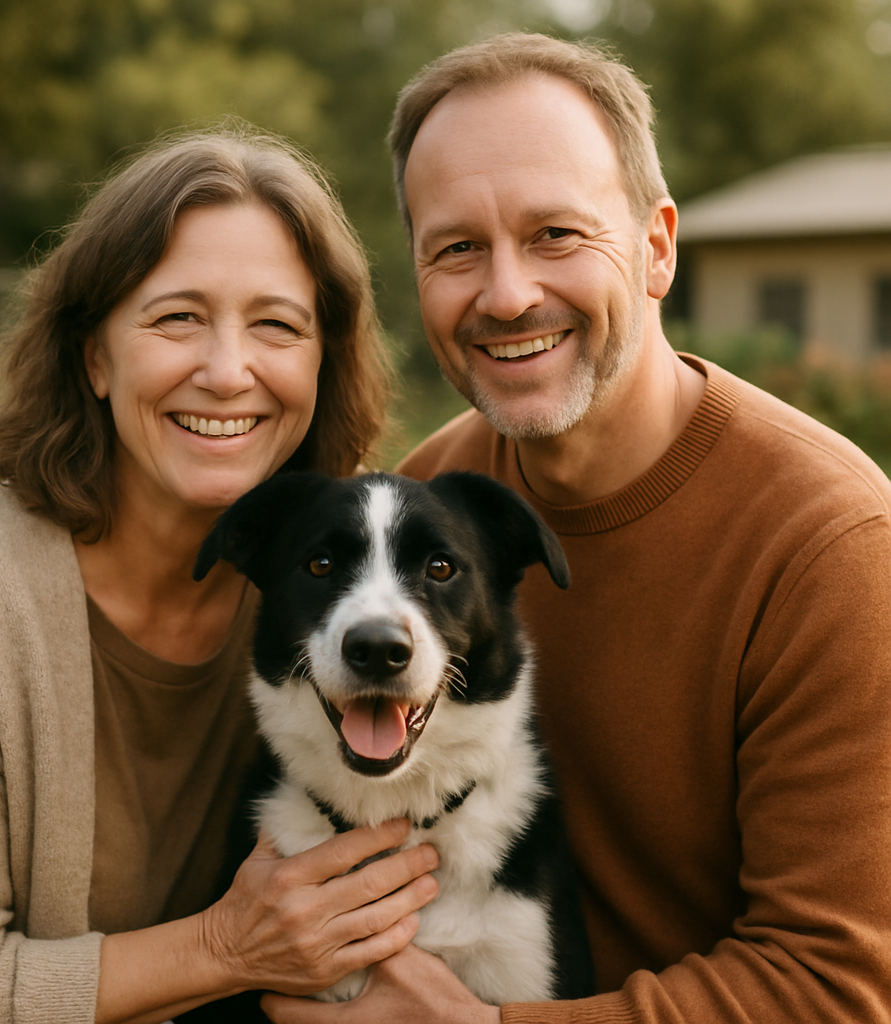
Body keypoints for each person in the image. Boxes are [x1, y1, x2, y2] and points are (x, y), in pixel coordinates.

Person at [260, 32, 891, 1024]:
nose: (507, 294)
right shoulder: (428, 501)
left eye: (556, 233)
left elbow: (837, 987)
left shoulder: (828, 544)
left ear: (655, 245)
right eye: (457, 247)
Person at [0, 128, 440, 1024]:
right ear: (95, 356)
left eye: (277, 326)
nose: (225, 372)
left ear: (322, 364)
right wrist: (225, 948)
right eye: (177, 318)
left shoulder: (354, 593)